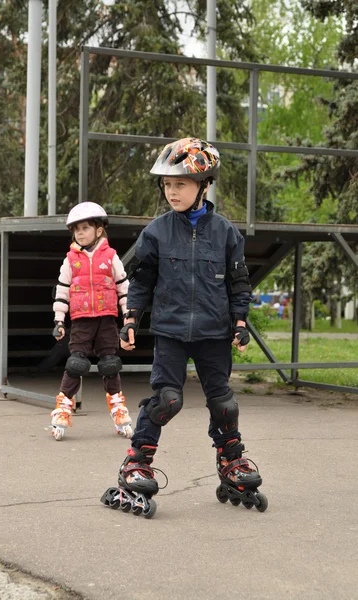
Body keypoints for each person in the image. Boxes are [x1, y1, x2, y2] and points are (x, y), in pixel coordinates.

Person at [101, 137, 267, 516]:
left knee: (224, 402)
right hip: (171, 331)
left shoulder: (226, 233)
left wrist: (241, 321)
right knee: (167, 400)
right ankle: (137, 461)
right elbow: (140, 281)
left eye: (180, 184)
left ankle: (231, 460)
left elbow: (239, 283)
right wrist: (131, 317)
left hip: (214, 333)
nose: (171, 191)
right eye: (167, 184)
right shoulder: (157, 232)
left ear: (204, 184)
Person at [50, 202, 132, 441]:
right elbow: (62, 291)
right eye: (76, 229)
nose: (80, 233)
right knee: (76, 364)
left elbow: (124, 288)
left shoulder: (111, 256)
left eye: (85, 228)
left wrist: (128, 319)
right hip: (82, 321)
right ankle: (63, 408)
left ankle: (117, 408)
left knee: (110, 364)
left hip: (107, 319)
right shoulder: (70, 260)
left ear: (98, 230)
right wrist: (58, 320)